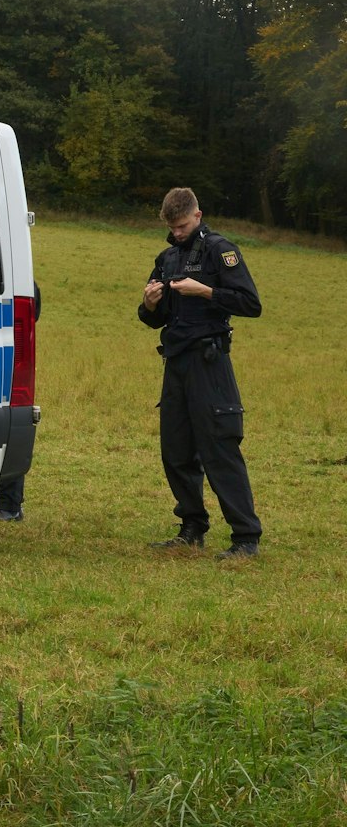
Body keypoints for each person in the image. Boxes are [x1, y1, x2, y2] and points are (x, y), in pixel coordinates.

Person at [139, 187, 263, 558]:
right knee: (175, 450)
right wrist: (149, 305)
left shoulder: (220, 251)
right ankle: (192, 527)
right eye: (172, 228)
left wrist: (206, 291)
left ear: (198, 215)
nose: (177, 233)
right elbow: (154, 318)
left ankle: (246, 537)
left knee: (219, 448)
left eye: (182, 226)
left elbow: (250, 303)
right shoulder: (167, 257)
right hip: (176, 361)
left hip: (209, 362)